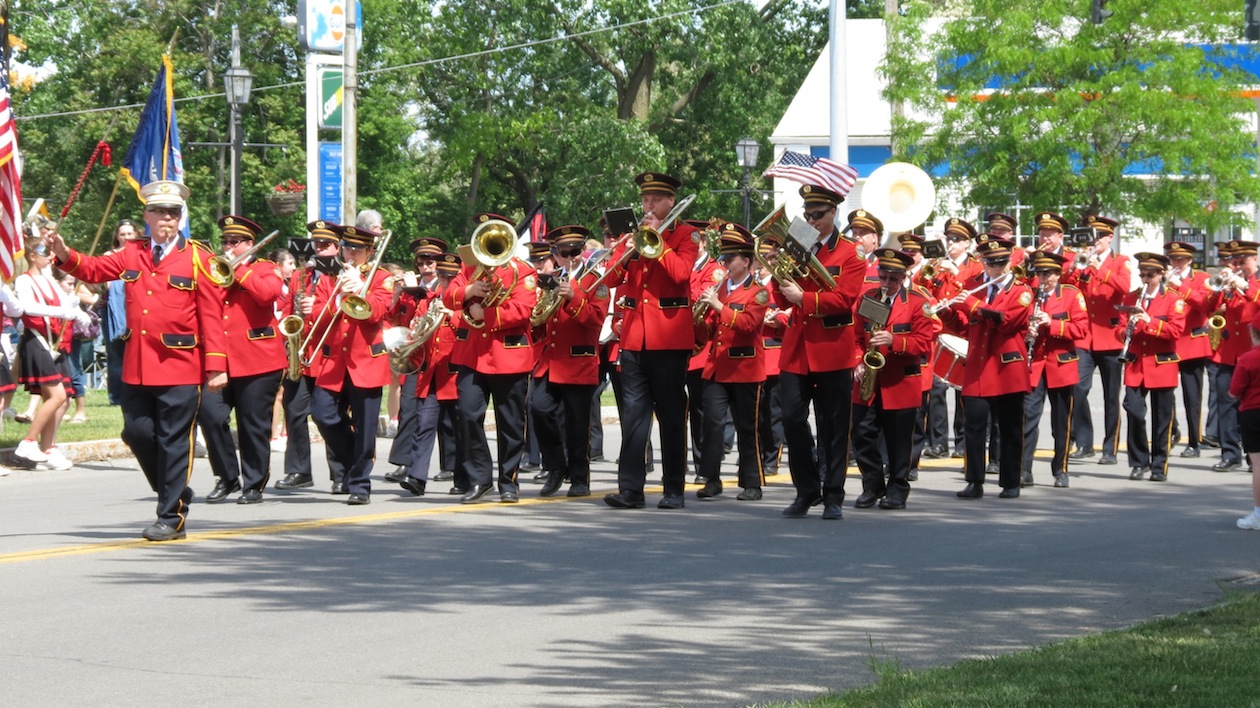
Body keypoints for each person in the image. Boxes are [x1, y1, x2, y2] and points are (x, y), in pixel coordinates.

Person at [51, 180, 227, 542]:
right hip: (138, 364)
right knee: (137, 432)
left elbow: (212, 315)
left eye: (174, 213)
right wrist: (64, 252)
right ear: (147, 216)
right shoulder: (133, 252)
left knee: (175, 440)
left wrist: (217, 366)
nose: (167, 219)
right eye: (160, 212)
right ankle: (172, 490)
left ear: (181, 218)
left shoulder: (199, 258)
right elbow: (94, 269)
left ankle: (170, 516)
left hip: (182, 364)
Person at [601, 172, 700, 511]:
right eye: (645, 200)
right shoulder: (633, 237)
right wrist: (628, 249)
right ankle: (631, 488)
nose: (648, 205)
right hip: (633, 339)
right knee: (634, 417)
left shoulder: (686, 235)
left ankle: (674, 488)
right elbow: (611, 278)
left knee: (672, 417)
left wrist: (658, 242)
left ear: (670, 201)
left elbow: (681, 274)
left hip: (669, 340)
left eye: (655, 200)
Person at [771, 189, 864, 519]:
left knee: (834, 426)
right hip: (797, 350)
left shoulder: (852, 253)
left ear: (834, 213)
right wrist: (776, 272)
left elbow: (845, 300)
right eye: (807, 214)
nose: (810, 220)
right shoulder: (796, 245)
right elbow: (781, 299)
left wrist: (804, 298)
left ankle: (834, 494)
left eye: (818, 215)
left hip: (831, 349)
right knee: (793, 421)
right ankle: (807, 489)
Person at [940, 235, 1032, 499]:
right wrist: (947, 313)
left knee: (1010, 426)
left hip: (1006, 367)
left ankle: (1011, 481)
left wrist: (972, 304)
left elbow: (1005, 322)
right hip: (979, 366)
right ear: (982, 262)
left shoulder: (1021, 291)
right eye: (990, 263)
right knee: (974, 425)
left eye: (1001, 262)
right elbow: (966, 327)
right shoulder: (974, 285)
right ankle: (974, 480)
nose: (996, 269)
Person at [201, 216, 285, 505]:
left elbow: (268, 295)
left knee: (252, 425)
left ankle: (254, 482)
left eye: (234, 242)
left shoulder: (266, 268)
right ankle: (226, 477)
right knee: (210, 416)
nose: (228, 247)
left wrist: (240, 271)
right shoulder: (215, 271)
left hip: (259, 361)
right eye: (225, 241)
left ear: (250, 244)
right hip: (220, 361)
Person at [308, 224, 393, 505]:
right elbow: (317, 318)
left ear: (370, 251)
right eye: (347, 248)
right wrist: (339, 298)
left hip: (366, 360)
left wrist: (362, 292)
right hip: (335, 361)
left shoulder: (382, 277)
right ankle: (351, 460)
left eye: (358, 249)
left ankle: (359, 484)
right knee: (322, 414)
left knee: (366, 427)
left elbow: (378, 312)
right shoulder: (330, 279)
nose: (351, 254)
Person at [851, 248, 935, 509]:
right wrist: (857, 361)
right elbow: (854, 337)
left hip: (900, 381)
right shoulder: (868, 298)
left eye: (893, 279)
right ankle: (873, 484)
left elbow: (924, 343)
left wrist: (894, 340)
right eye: (883, 277)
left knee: (899, 440)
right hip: (870, 381)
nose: (886, 283)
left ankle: (898, 488)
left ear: (904, 276)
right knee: (861, 434)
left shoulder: (919, 303)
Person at [531, 225, 610, 498]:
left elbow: (595, 321)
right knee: (538, 408)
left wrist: (573, 297)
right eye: (563, 252)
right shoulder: (550, 277)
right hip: (551, 360)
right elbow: (542, 319)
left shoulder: (595, 281)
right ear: (556, 253)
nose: (570, 256)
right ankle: (555, 466)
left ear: (583, 251)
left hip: (579, 360)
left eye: (575, 250)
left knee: (578, 424)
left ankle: (579, 478)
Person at [693, 224, 769, 500]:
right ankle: (711, 478)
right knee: (712, 424)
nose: (725, 263)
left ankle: (752, 483)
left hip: (746, 368)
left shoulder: (758, 292)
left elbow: (748, 325)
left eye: (731, 258)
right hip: (717, 367)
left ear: (746, 261)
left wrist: (718, 307)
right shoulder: (719, 289)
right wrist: (699, 322)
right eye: (723, 258)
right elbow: (712, 330)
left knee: (747, 427)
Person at [272, 224, 348, 492]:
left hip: (329, 354)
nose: (320, 248)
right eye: (316, 244)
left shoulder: (340, 275)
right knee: (293, 409)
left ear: (337, 248)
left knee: (329, 415)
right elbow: (287, 305)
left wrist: (315, 308)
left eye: (326, 244)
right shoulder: (300, 275)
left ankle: (341, 472)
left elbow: (344, 312)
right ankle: (298, 470)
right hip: (301, 353)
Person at [12, 238, 84, 469]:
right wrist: (61, 310)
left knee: (62, 400)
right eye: (44, 251)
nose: (49, 256)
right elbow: (27, 307)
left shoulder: (50, 280)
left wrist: (77, 311)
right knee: (57, 396)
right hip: (37, 341)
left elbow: (67, 307)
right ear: (32, 256)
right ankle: (28, 442)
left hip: (56, 343)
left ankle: (47, 448)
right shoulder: (24, 280)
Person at [1021, 251, 1088, 488]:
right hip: (1036, 365)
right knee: (1028, 418)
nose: (1042, 277)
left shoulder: (1071, 294)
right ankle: (1024, 470)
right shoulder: (1030, 295)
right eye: (1039, 272)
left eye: (1047, 273)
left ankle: (1061, 470)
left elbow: (1081, 329)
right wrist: (1027, 333)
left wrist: (1053, 324)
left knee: (1061, 423)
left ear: (1058, 274)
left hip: (1061, 365)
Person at [1117, 253, 1186, 482]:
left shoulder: (1173, 299)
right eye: (1142, 274)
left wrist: (1150, 322)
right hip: (1136, 364)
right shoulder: (1130, 297)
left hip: (1161, 362)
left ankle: (1159, 465)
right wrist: (1127, 328)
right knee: (1134, 411)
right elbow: (1118, 330)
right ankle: (1138, 462)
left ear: (1161, 274)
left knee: (1162, 417)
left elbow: (1176, 331)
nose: (1145, 279)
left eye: (1150, 275)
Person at [384, 237, 445, 486]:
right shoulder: (411, 286)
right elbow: (393, 316)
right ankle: (404, 462)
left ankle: (451, 465)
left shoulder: (445, 284)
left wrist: (416, 292)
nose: (425, 265)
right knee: (409, 407)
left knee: (448, 413)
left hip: (441, 354)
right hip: (414, 353)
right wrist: (398, 294)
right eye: (421, 261)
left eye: (430, 260)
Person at [1068, 216, 1129, 466]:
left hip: (1110, 337)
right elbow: (1071, 288)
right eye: (1092, 238)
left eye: (1099, 237)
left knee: (1111, 396)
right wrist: (1073, 268)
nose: (1095, 242)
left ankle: (1110, 448)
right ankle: (1084, 442)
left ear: (1109, 238)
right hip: (1085, 337)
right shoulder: (1083, 262)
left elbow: (1123, 287)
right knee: (1078, 389)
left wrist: (1098, 268)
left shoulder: (1120, 262)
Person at [1207, 240, 1260, 472]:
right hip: (1228, 352)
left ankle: (1253, 456)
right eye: (1235, 261)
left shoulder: (1255, 284)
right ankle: (1230, 453)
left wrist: (1246, 287)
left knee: (1251, 407)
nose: (1238, 266)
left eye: (1243, 262)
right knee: (1225, 403)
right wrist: (1220, 289)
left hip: (1252, 352)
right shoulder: (1230, 284)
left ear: (1255, 260)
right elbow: (1207, 307)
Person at [1164, 240, 1211, 459]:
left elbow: (1204, 305)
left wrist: (1179, 285)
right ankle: (1172, 429)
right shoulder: (1164, 278)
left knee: (1192, 396)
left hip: (1192, 342)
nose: (1176, 263)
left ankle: (1194, 441)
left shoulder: (1202, 278)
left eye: (1180, 259)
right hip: (1170, 341)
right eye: (1173, 259)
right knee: (1165, 391)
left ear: (1190, 260)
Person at [101, 220, 138, 406]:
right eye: (123, 234)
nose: (126, 238)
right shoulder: (109, 255)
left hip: (136, 309)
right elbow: (103, 281)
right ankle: (116, 397)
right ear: (117, 236)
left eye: (130, 234)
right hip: (114, 310)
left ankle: (136, 394)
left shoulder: (142, 255)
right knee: (115, 356)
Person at [1229, 312, 1260, 530]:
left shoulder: (1248, 358)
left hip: (1253, 412)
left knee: (1258, 465)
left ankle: (1259, 513)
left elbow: (1233, 392)